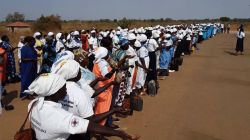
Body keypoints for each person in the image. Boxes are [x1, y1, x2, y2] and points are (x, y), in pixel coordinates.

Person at [25, 73, 139, 140]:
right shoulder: (59, 116)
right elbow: (90, 126)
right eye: (63, 87)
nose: (66, 89)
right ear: (54, 92)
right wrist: (119, 134)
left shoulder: (34, 104)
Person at [92, 47, 116, 125]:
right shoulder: (101, 63)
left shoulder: (97, 62)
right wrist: (114, 70)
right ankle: (100, 128)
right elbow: (107, 76)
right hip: (104, 90)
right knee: (103, 110)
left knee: (99, 109)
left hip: (100, 88)